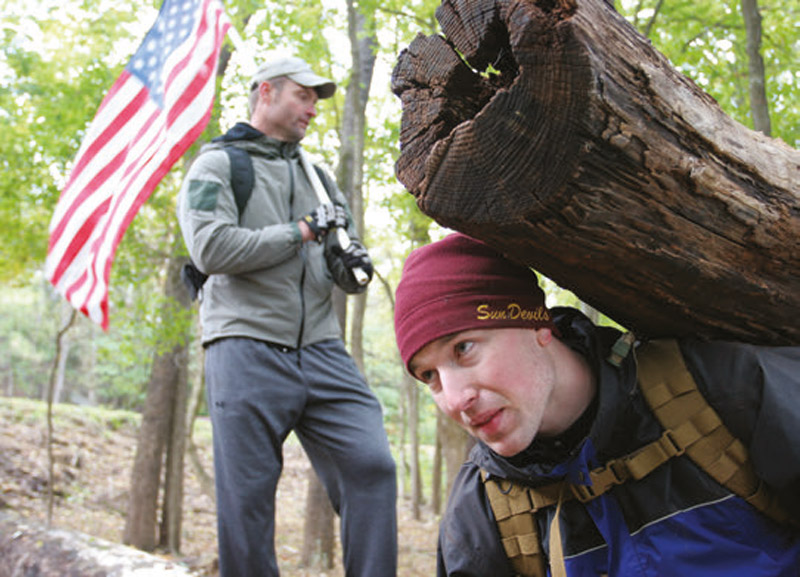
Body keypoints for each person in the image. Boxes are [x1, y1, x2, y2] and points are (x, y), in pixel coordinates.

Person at [393, 232, 800, 577]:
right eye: (429, 376)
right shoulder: (482, 509)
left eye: (464, 349)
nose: (455, 398)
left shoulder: (718, 387)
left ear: (536, 324)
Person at [177, 55, 397, 577]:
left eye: (318, 100)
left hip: (321, 348)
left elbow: (341, 248)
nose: (314, 110)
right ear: (266, 92)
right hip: (245, 346)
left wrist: (351, 262)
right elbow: (211, 248)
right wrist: (299, 231)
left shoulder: (318, 176)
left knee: (372, 466)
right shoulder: (217, 165)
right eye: (304, 96)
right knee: (248, 504)